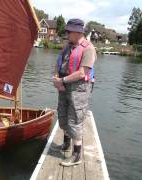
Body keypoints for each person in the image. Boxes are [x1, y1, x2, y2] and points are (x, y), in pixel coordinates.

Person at [53, 18, 97, 166]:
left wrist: (62, 81)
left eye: (68, 31)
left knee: (74, 120)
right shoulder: (68, 47)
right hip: (63, 87)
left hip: (79, 90)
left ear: (78, 32)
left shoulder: (89, 49)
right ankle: (66, 144)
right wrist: (56, 78)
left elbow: (82, 72)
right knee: (63, 116)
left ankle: (77, 155)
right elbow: (58, 63)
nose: (66, 33)